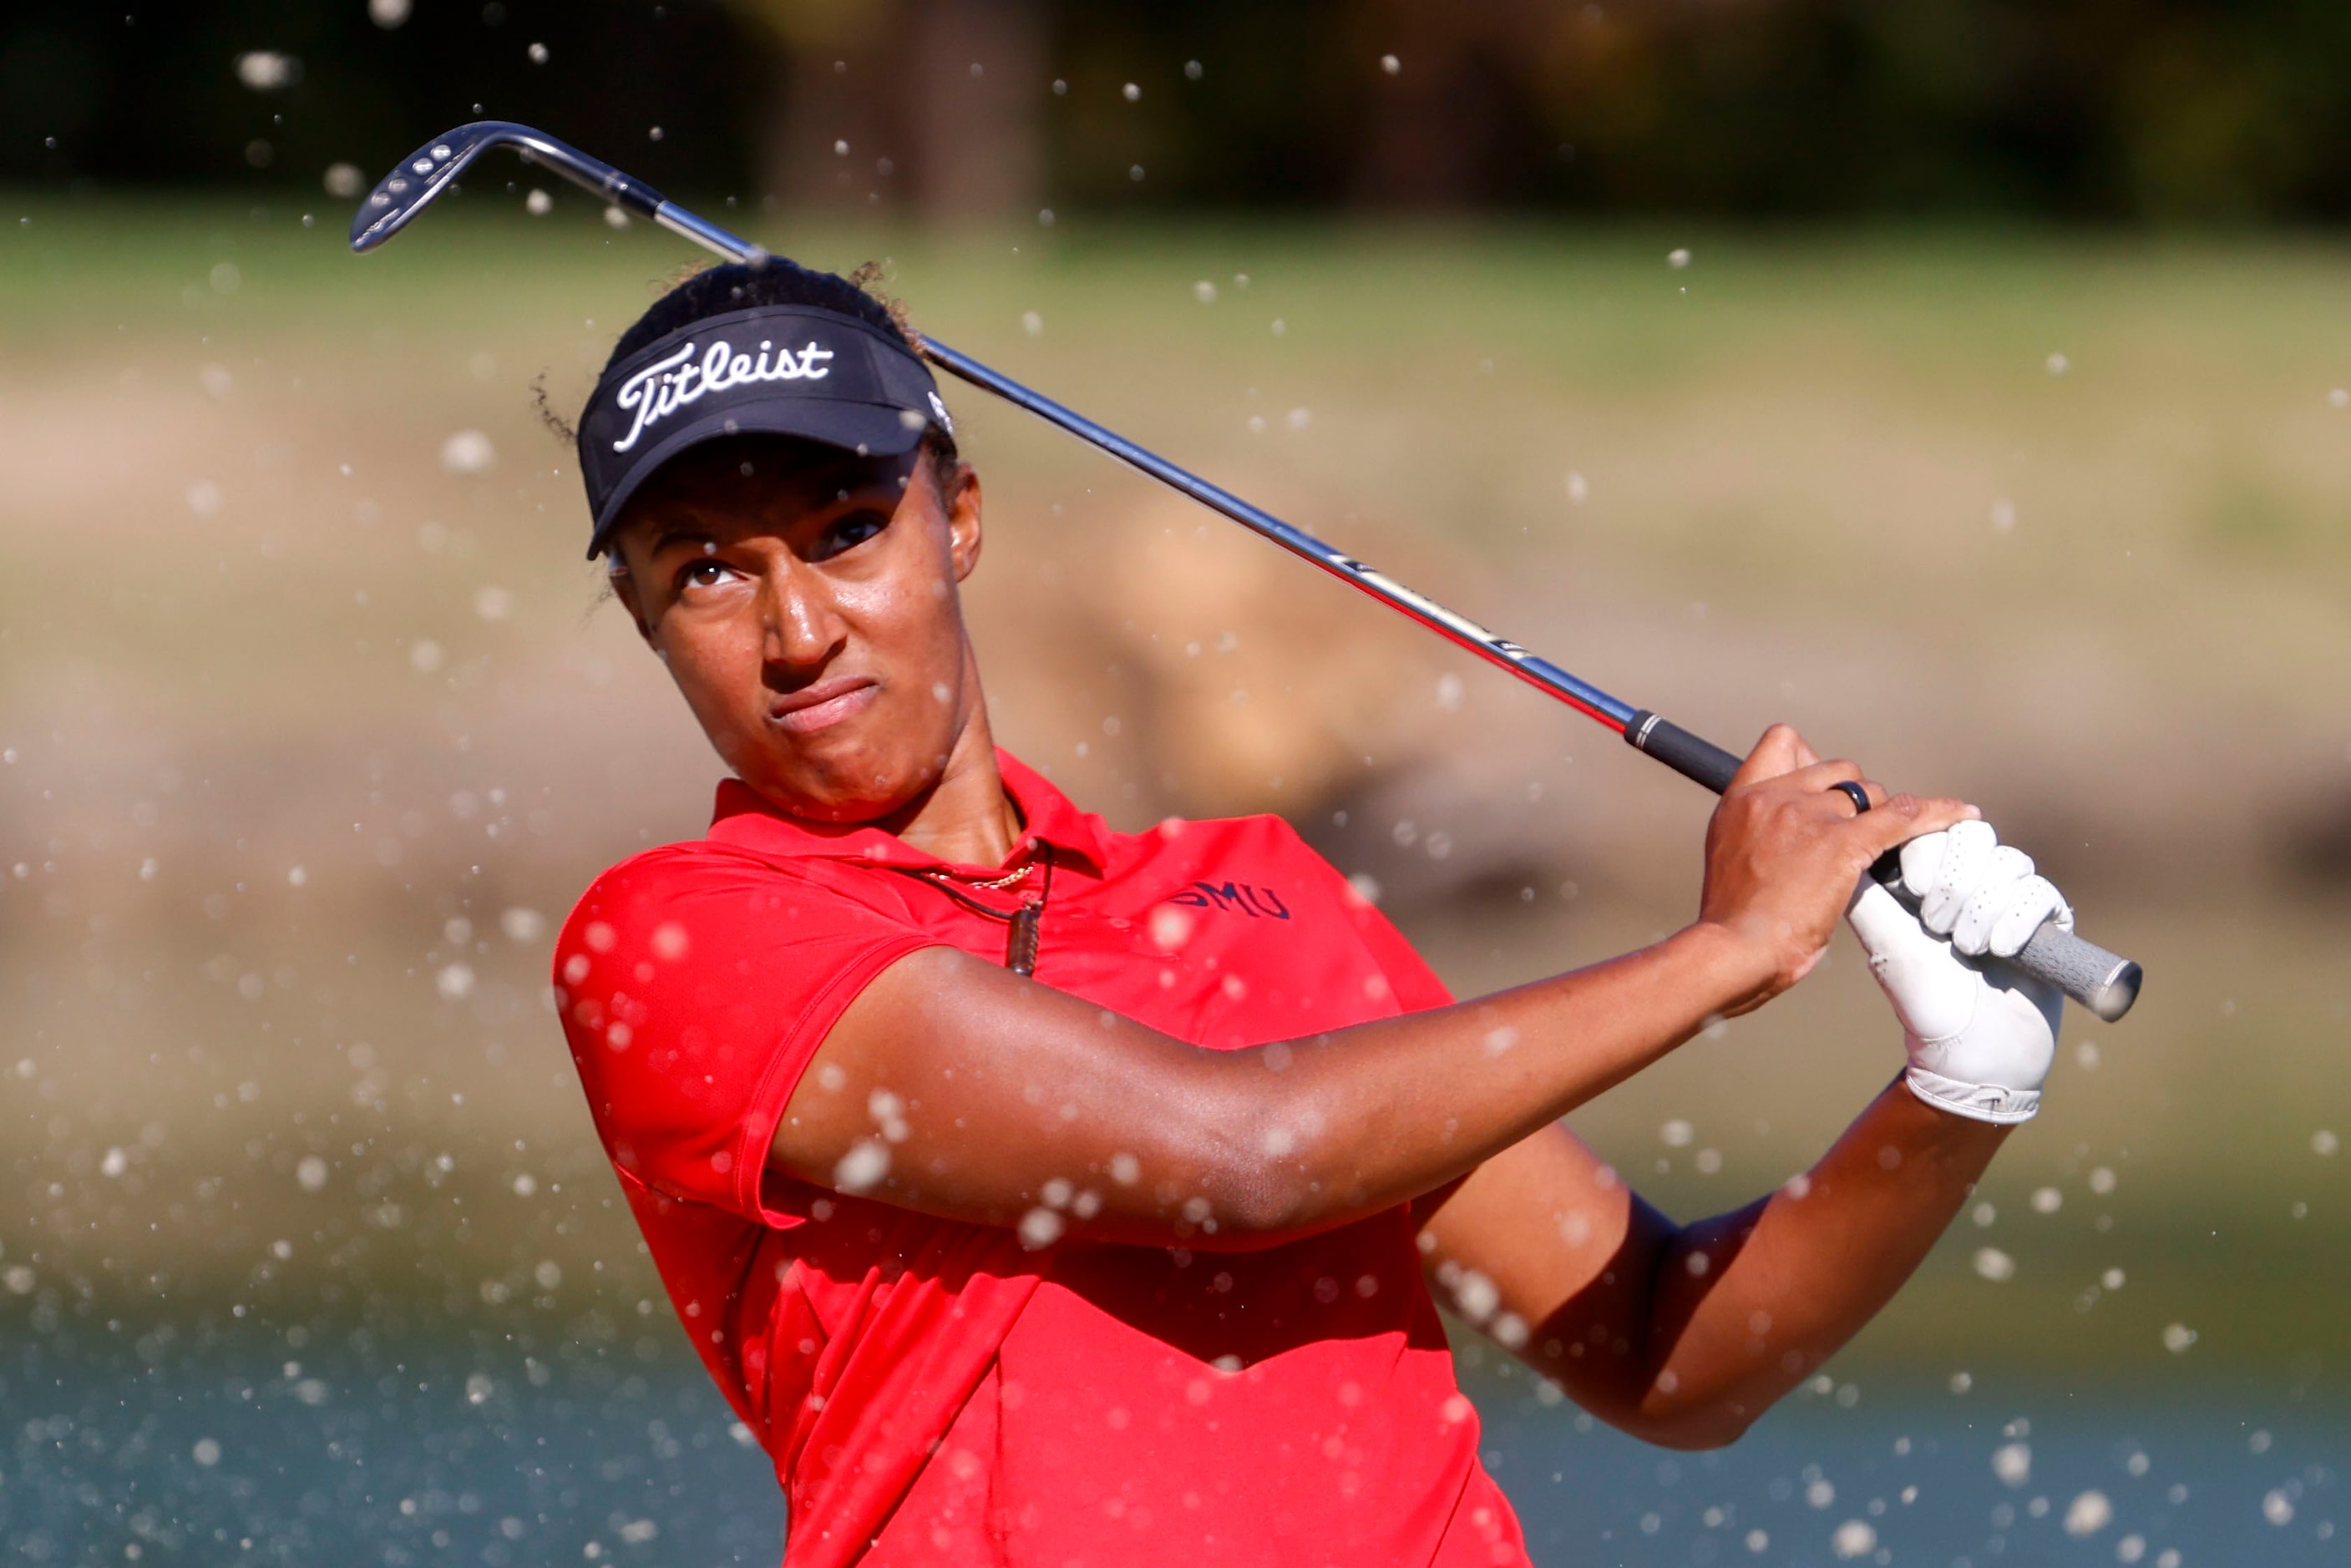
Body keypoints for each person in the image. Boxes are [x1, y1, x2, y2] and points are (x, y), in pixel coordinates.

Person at [550, 259, 2072, 1568]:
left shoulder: (1262, 893)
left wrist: (1962, 1085)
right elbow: (1240, 1155)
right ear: (638, 612)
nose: (801, 628)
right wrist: (1726, 952)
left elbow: (1664, 1352)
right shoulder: (676, 940)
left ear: (957, 518)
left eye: (842, 531)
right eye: (704, 573)